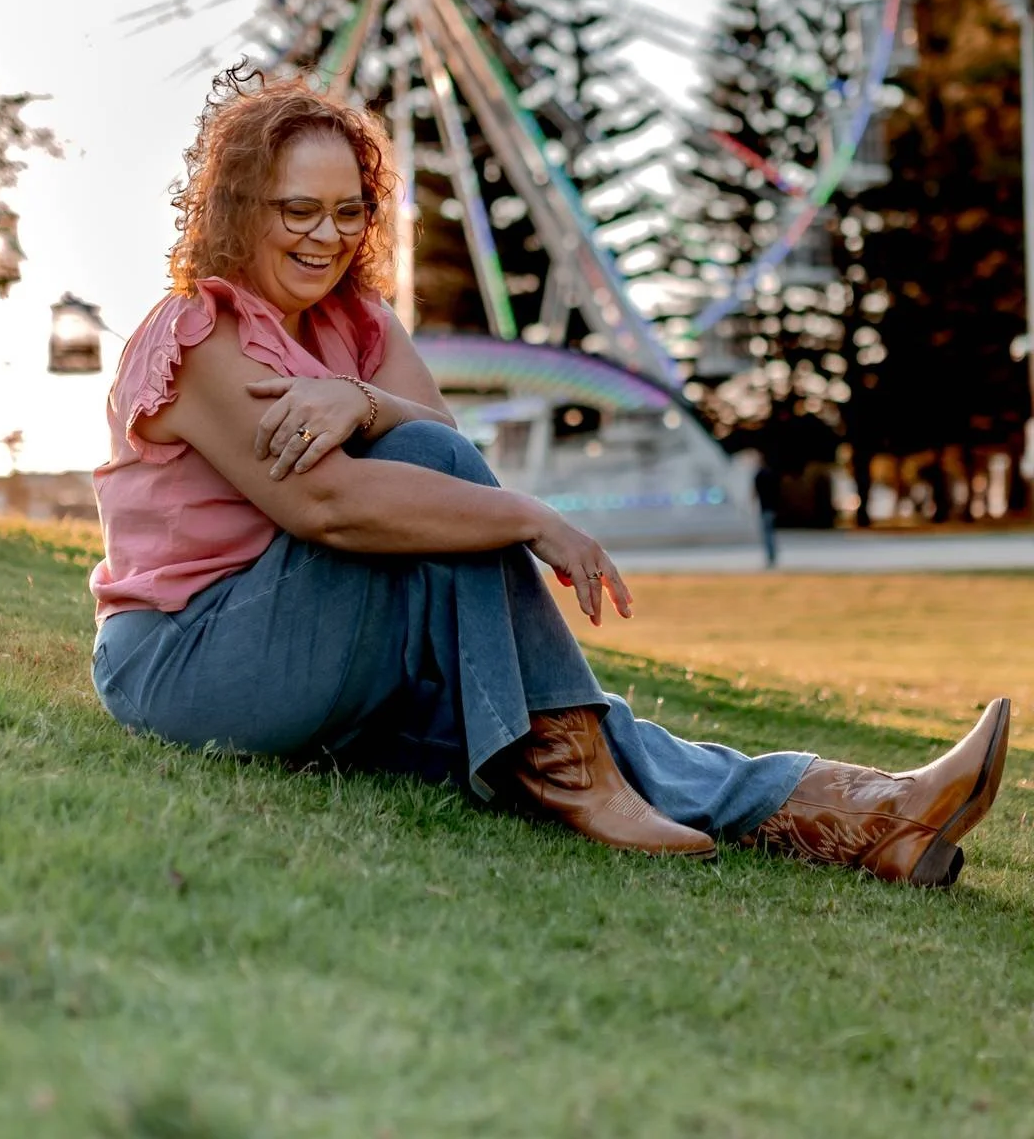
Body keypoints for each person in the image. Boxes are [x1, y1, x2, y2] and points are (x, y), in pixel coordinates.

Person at [89, 66, 1010, 885]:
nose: (326, 236)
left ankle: (874, 816)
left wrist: (360, 402)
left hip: (335, 647)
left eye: (349, 210)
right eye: (298, 210)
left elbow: (435, 438)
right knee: (518, 661)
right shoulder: (197, 333)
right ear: (238, 206)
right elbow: (325, 503)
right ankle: (574, 767)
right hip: (195, 660)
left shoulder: (357, 325)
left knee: (560, 721)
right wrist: (528, 515)